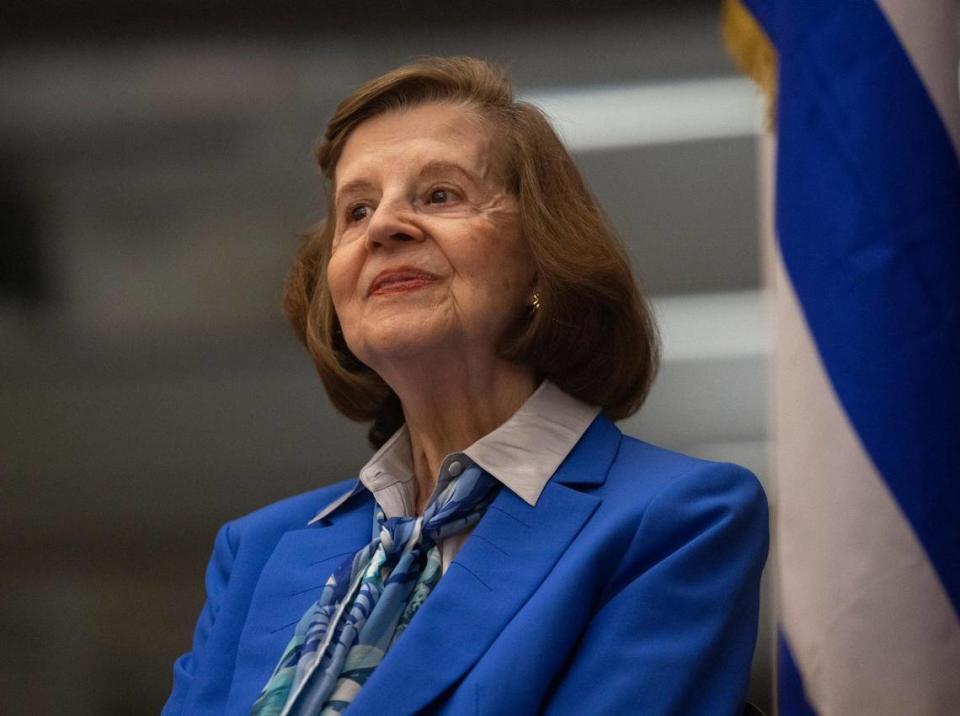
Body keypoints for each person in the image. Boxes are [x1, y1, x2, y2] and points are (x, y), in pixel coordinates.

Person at [162, 56, 768, 716]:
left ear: (542, 253)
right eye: (357, 210)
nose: (386, 227)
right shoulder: (255, 551)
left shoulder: (676, 522)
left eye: (439, 196)